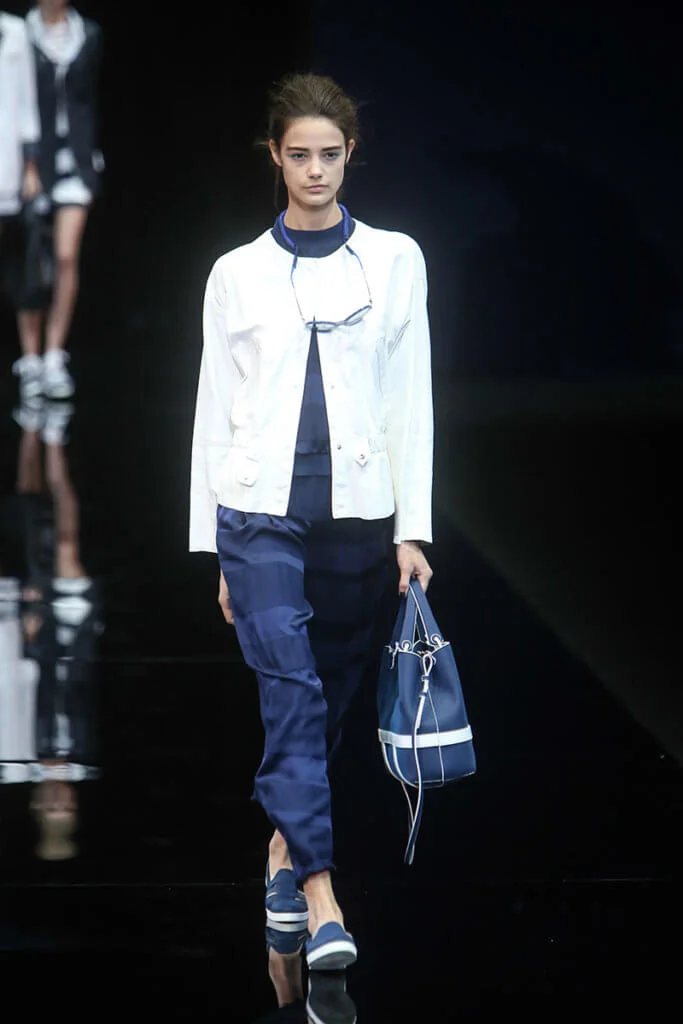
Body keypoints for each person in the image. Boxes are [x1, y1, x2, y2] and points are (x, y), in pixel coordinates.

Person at [189, 72, 434, 971]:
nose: (316, 170)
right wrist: (214, 548)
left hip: (355, 516)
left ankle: (281, 857)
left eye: (330, 154)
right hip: (256, 515)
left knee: (323, 703)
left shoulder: (395, 260)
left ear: (350, 155)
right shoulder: (235, 273)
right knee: (290, 695)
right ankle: (323, 899)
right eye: (299, 155)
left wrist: (412, 528)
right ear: (275, 157)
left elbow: (411, 398)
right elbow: (213, 408)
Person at [12, 1, 103, 402]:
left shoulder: (88, 34)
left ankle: (53, 354)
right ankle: (30, 357)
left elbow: (89, 99)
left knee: (66, 257)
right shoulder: (20, 35)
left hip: (76, 161)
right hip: (33, 162)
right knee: (31, 259)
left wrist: (92, 157)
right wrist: (25, 161)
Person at [0, 10, 42, 304]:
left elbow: (27, 103)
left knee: (18, 259)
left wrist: (30, 166)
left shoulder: (15, 31)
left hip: (7, 162)